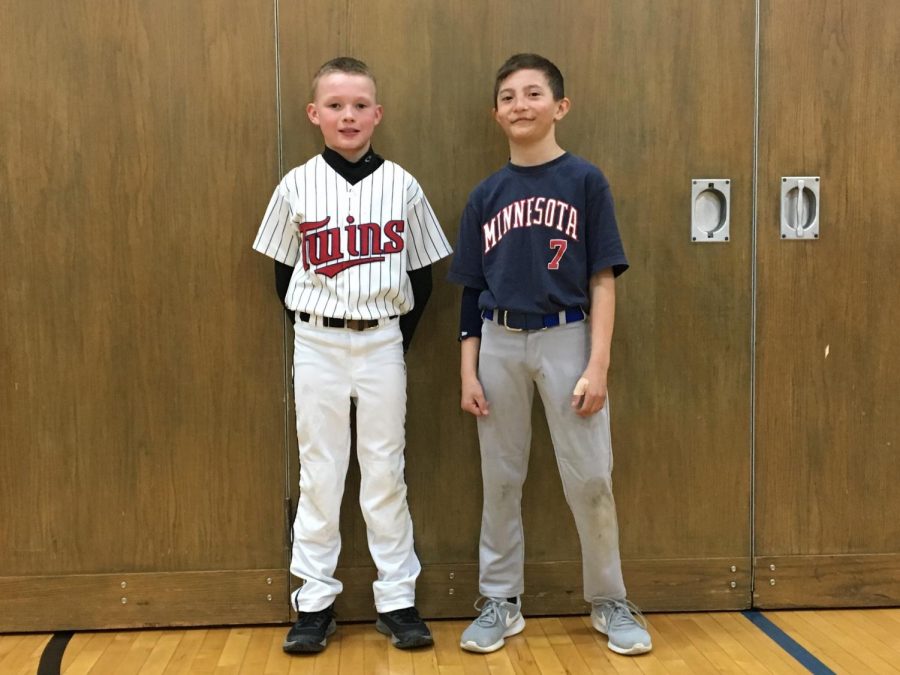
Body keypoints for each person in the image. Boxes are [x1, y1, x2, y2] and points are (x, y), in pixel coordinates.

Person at [447, 53, 652, 656]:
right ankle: (500, 599)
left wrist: (599, 363)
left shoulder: (585, 182)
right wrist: (468, 369)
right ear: (496, 113)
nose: (520, 104)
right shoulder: (485, 194)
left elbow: (604, 279)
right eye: (508, 96)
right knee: (501, 476)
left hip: (570, 337)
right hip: (498, 341)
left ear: (559, 106)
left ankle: (610, 599)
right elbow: (469, 291)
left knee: (590, 475)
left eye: (533, 93)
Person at [252, 56, 452, 654]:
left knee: (385, 472)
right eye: (335, 105)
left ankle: (398, 600)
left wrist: (386, 337)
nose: (348, 115)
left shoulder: (403, 184)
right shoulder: (295, 184)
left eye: (360, 105)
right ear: (315, 114)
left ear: (378, 114)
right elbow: (283, 274)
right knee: (321, 474)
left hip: (383, 336)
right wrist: (323, 328)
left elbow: (424, 279)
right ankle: (313, 603)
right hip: (316, 337)